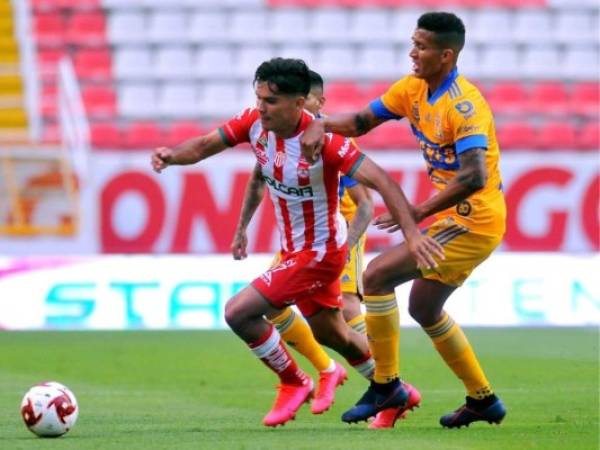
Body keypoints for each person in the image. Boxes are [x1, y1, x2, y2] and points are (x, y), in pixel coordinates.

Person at [151, 57, 443, 427]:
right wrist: (172, 156)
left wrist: (412, 234)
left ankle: (294, 381)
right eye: (258, 98)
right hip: (295, 248)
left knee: (239, 312)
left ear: (299, 102)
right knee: (333, 333)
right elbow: (208, 144)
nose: (261, 107)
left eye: (270, 101)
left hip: (321, 253)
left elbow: (383, 181)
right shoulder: (254, 125)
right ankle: (393, 389)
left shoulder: (328, 143)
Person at [300, 12, 507, 429]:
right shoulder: (412, 89)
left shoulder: (464, 105)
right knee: (424, 308)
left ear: (446, 55)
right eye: (412, 43)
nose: (413, 52)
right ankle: (483, 399)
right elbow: (361, 123)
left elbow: (473, 176)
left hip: (473, 219)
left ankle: (386, 384)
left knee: (376, 277)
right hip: (453, 216)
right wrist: (316, 125)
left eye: (422, 46)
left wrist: (417, 212)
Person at [230, 69, 421, 417]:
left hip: (336, 237)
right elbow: (260, 176)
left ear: (317, 102)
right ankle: (357, 378)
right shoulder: (275, 137)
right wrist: (242, 227)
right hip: (298, 241)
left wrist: (347, 247)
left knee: (345, 312)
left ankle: (383, 383)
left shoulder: (329, 142)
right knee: (299, 317)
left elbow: (365, 203)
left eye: (317, 104)